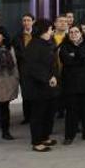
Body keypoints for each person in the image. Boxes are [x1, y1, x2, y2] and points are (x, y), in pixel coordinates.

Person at [22, 19, 60, 152]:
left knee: (48, 113)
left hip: (49, 86)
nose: (51, 31)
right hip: (37, 87)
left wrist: (54, 76)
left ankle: (45, 136)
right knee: (38, 114)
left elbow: (53, 63)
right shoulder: (34, 45)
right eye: (50, 29)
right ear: (44, 31)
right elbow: (33, 67)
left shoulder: (47, 44)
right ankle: (37, 141)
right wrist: (48, 78)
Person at [58, 24, 85, 145]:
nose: (74, 34)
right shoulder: (64, 46)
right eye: (71, 32)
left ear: (81, 33)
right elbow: (67, 61)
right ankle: (69, 136)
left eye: (76, 32)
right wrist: (82, 57)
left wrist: (76, 55)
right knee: (71, 111)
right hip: (70, 85)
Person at [11, 14, 34, 125]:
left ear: (33, 22)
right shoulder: (17, 36)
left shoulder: (37, 35)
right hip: (23, 67)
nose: (26, 22)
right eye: (24, 20)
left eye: (28, 20)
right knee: (26, 93)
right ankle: (27, 116)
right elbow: (15, 51)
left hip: (36, 68)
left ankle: (36, 115)